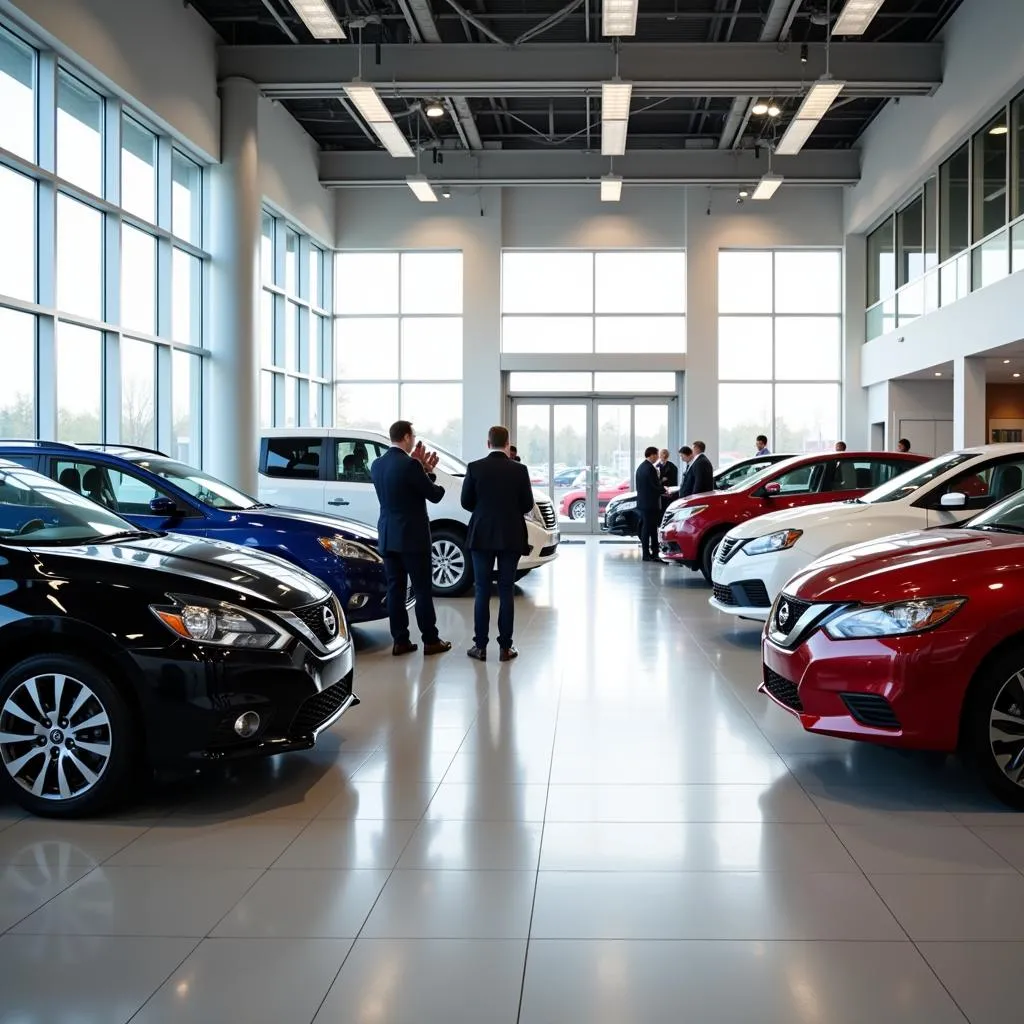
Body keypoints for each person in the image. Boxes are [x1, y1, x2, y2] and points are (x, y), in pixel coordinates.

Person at [370, 420, 452, 657]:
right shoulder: (410, 465)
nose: (414, 440)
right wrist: (430, 472)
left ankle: (401, 641)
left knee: (395, 590)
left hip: (387, 535)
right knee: (422, 589)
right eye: (413, 436)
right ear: (406, 437)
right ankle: (430, 640)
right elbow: (434, 495)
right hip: (413, 538)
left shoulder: (377, 465)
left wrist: (422, 471)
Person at [461, 426, 535, 662]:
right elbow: (526, 505)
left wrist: (484, 511)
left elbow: (466, 502)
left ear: (487, 443)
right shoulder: (520, 470)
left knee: (482, 590)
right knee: (505, 590)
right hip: (511, 535)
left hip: (481, 534)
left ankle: (480, 647)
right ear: (507, 444)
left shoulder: (474, 468)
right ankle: (505, 648)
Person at [635, 446, 664, 562]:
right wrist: (664, 490)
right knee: (648, 529)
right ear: (651, 455)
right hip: (650, 504)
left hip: (644, 503)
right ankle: (648, 554)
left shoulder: (641, 467)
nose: (657, 457)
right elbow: (654, 486)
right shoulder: (650, 468)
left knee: (649, 529)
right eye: (656, 455)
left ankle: (652, 553)